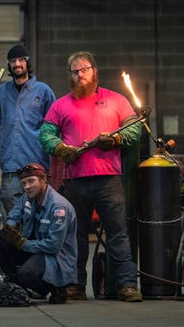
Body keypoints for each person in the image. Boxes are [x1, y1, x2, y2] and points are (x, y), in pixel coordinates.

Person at [39, 51, 143, 302]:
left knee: (118, 233)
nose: (79, 74)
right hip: (75, 181)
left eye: (84, 69)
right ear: (70, 75)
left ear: (94, 71)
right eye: (75, 71)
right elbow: (45, 134)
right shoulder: (60, 105)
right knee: (76, 236)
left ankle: (127, 285)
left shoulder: (117, 101)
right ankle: (75, 285)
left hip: (109, 179)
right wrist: (62, 148)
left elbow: (135, 128)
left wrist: (115, 139)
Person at [0, 163, 77, 304]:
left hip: (53, 257)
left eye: (31, 181)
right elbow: (13, 216)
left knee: (26, 275)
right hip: (33, 250)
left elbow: (53, 246)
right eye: (24, 183)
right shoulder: (27, 198)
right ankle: (13, 286)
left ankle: (55, 287)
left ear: (43, 180)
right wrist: (10, 227)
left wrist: (22, 243)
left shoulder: (59, 207)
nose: (27, 186)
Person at [0, 44, 56, 219]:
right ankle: (18, 246)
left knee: (41, 213)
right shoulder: (3, 91)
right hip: (11, 167)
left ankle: (38, 246)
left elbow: (54, 124)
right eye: (13, 61)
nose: (17, 64)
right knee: (12, 214)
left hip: (36, 164)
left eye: (20, 60)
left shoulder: (43, 91)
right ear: (9, 65)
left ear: (27, 62)